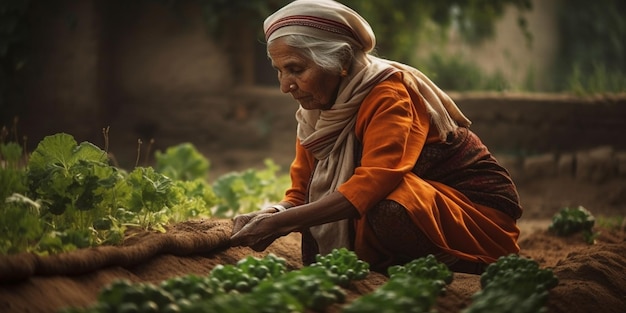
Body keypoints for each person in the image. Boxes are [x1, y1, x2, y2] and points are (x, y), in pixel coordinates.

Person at [230, 0, 522, 274]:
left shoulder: (388, 94)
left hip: (476, 215)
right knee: (364, 206)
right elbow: (301, 191)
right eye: (279, 71)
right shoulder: (316, 109)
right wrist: (271, 213)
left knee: (386, 207)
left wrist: (282, 224)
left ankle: (460, 262)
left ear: (340, 61)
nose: (285, 86)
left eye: (296, 69)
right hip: (426, 203)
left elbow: (374, 183)